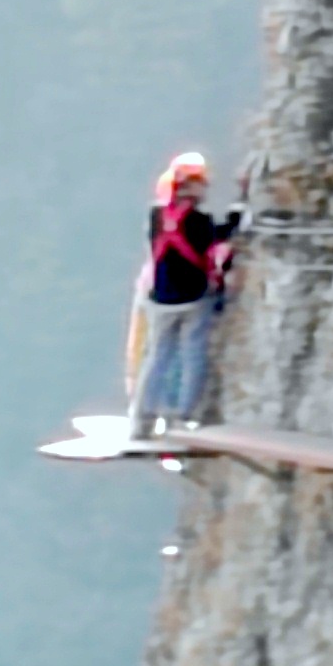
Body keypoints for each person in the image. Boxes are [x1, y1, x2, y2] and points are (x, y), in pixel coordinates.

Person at [130, 152, 242, 446]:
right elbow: (216, 238)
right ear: (192, 187)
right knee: (193, 355)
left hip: (159, 300)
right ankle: (182, 415)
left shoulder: (155, 216)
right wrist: (238, 217)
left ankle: (142, 419)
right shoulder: (200, 221)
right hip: (193, 300)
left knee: (157, 358)